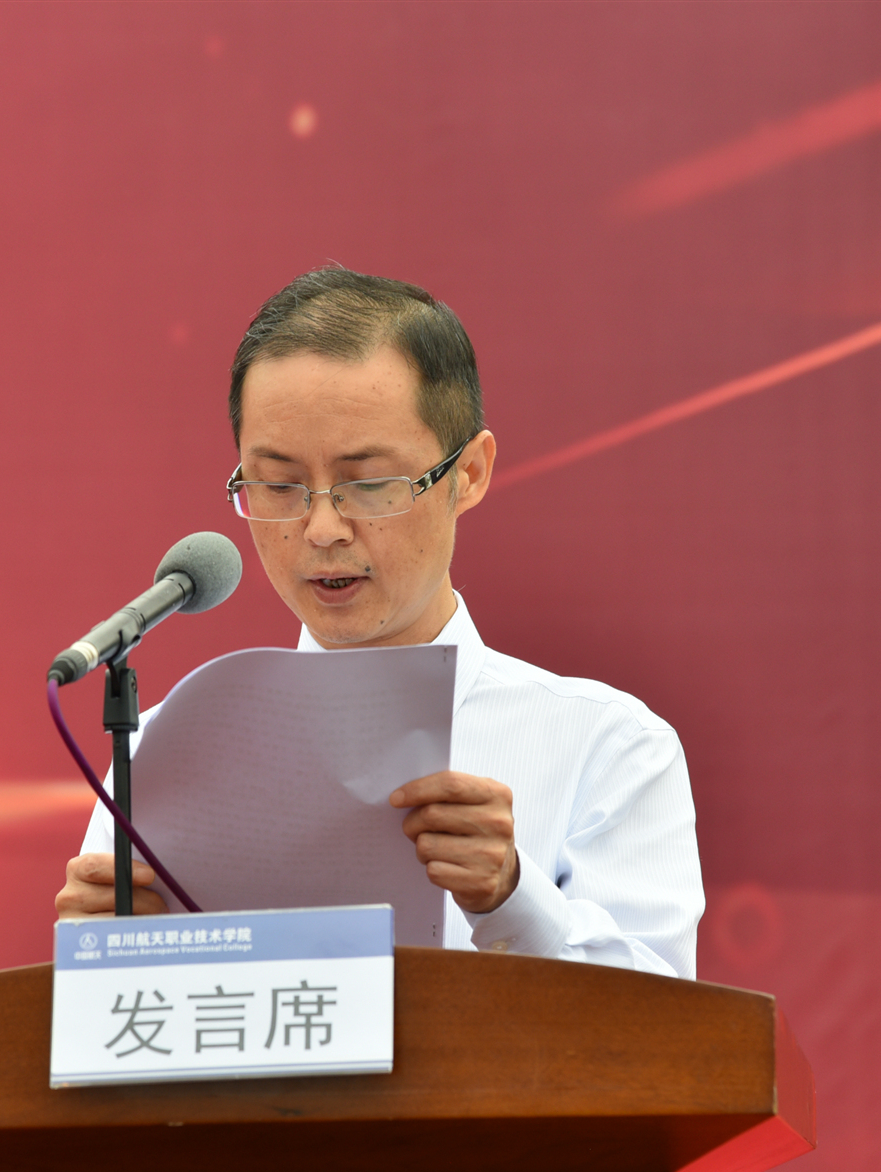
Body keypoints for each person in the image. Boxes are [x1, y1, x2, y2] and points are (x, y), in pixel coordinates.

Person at [56, 267, 704, 976]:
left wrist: (512, 898)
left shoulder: (606, 745)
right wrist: (99, 963)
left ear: (469, 473)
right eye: (278, 484)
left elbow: (665, 1021)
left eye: (367, 483)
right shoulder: (164, 752)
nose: (322, 529)